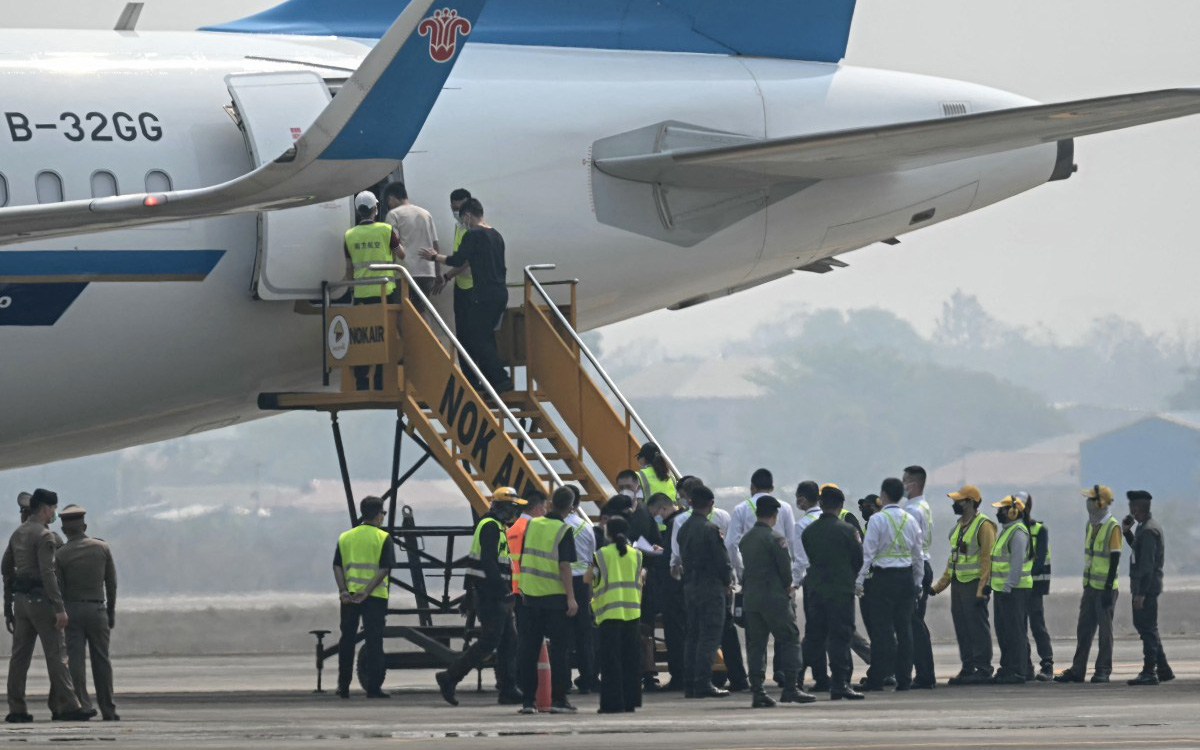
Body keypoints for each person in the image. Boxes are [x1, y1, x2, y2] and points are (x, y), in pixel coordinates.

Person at [5, 489, 90, 723]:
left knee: (19, 658)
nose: (54, 513)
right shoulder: (44, 536)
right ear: (44, 508)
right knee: (57, 655)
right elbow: (48, 572)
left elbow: (6, 568)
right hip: (42, 602)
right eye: (52, 508)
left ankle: (17, 709)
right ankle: (71, 705)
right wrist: (59, 607)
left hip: (21, 603)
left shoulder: (18, 533)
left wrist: (8, 606)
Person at [436, 488, 526, 706]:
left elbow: (477, 562)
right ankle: (450, 676)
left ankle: (508, 688)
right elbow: (487, 562)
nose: (515, 513)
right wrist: (502, 590)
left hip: (493, 593)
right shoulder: (490, 527)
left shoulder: (496, 527)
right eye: (513, 508)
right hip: (491, 594)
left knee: (509, 641)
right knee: (490, 641)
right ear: (503, 508)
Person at [421, 198, 512, 392]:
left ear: (468, 216)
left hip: (484, 294)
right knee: (485, 336)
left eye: (463, 219)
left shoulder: (473, 235)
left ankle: (501, 379)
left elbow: (457, 259)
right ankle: (493, 381)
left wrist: (434, 257)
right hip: (500, 292)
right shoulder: (496, 235)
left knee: (474, 336)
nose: (463, 224)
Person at [724, 469, 796, 692]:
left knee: (756, 640)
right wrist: (790, 582)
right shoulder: (784, 509)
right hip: (776, 586)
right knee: (788, 634)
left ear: (752, 487)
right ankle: (787, 680)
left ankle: (757, 687)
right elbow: (791, 543)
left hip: (751, 583)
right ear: (772, 488)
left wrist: (739, 572)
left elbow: (730, 544)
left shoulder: (741, 510)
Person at [739, 495, 814, 707]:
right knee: (790, 638)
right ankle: (791, 687)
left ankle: (758, 690)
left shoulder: (746, 539)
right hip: (774, 598)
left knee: (756, 646)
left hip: (752, 599)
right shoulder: (776, 538)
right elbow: (785, 572)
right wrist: (787, 587)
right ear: (775, 514)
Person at [515, 487, 579, 714]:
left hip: (530, 597)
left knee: (528, 650)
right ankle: (559, 699)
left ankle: (528, 701)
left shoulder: (532, 524)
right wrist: (571, 598)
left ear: (550, 503)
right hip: (554, 599)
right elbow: (564, 566)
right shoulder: (563, 530)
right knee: (560, 651)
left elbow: (523, 556)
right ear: (570, 508)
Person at [856, 478, 922, 692]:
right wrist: (918, 581)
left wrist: (859, 581)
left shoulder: (877, 520)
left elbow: (868, 554)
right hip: (905, 579)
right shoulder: (910, 520)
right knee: (905, 630)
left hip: (883, 579)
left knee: (881, 630)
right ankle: (904, 678)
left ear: (883, 495)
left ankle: (878, 677)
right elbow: (918, 556)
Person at [56, 505, 119, 721]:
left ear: (64, 530)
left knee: (75, 661)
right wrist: (110, 612)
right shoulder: (102, 547)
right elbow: (111, 584)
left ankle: (83, 704)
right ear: (84, 525)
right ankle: (108, 709)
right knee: (102, 660)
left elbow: (59, 590)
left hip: (72, 611)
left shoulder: (61, 555)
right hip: (97, 609)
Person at [1055, 485, 1122, 684]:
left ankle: (1103, 669)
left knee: (1104, 631)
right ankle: (1078, 669)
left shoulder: (1112, 526)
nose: (1087, 503)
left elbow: (1115, 557)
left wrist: (1108, 586)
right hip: (1090, 585)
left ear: (1100, 503)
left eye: (1091, 499)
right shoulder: (1090, 524)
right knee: (1084, 629)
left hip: (1105, 588)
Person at [804, 486, 865, 701]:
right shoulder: (848, 531)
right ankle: (840, 684)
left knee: (813, 637)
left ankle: (794, 681)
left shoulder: (809, 531)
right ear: (841, 506)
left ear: (820, 504)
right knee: (840, 637)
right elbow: (858, 559)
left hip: (816, 590)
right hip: (840, 591)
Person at [930, 485, 996, 685]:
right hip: (958, 584)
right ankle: (968, 667)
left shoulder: (984, 526)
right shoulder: (958, 527)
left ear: (970, 502)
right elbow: (954, 560)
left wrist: (982, 588)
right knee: (962, 627)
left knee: (977, 627)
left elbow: (987, 559)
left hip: (974, 584)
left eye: (958, 501)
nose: (954, 504)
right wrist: (938, 587)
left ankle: (983, 668)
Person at [333, 496, 394, 699]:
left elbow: (337, 565)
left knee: (347, 640)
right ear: (378, 515)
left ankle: (343, 687)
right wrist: (366, 591)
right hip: (374, 597)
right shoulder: (383, 537)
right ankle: (374, 689)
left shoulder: (345, 537)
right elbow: (385, 568)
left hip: (349, 598)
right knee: (374, 642)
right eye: (383, 513)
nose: (383, 517)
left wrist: (343, 590)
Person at [344, 190, 404, 391]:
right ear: (375, 210)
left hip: (361, 293)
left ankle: (361, 380)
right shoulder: (386, 230)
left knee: (363, 338)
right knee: (384, 337)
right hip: (384, 291)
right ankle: (379, 380)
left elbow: (349, 268)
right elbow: (401, 254)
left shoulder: (349, 235)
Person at [678, 484, 732, 698]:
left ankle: (690, 682)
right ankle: (703, 682)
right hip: (710, 587)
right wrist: (727, 581)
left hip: (690, 585)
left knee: (692, 636)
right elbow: (722, 561)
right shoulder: (710, 529)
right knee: (710, 636)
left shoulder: (684, 528)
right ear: (710, 504)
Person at [588, 516, 645, 713]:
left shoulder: (601, 554)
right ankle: (631, 701)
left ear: (608, 533)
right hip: (632, 613)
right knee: (631, 660)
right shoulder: (637, 554)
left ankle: (612, 704)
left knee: (611, 662)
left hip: (609, 614)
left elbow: (589, 579)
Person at [1122, 490, 1173, 686]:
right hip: (1146, 586)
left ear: (1136, 509)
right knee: (1146, 626)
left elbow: (1146, 566)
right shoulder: (1144, 528)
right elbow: (1139, 551)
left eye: (1132, 507)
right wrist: (1127, 533)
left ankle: (1149, 670)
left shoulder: (1149, 530)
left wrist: (1140, 593)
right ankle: (1163, 668)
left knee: (1147, 628)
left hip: (1147, 588)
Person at [989, 495, 1032, 685]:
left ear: (1014, 511)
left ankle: (1019, 670)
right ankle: (1008, 667)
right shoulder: (1007, 531)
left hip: (1014, 590)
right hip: (1002, 590)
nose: (999, 512)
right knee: (1004, 631)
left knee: (1015, 632)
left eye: (1003, 509)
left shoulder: (1018, 532)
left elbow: (1016, 564)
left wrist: (1008, 586)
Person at [900, 465, 937, 690]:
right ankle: (923, 673)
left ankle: (924, 674)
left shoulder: (913, 510)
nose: (902, 485)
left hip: (917, 565)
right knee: (914, 623)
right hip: (922, 563)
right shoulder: (923, 506)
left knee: (914, 624)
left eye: (905, 480)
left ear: (913, 484)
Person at [647, 492, 687, 690]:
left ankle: (679, 676)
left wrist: (654, 554)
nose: (657, 517)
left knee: (675, 633)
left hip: (673, 588)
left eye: (656, 512)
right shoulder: (686, 518)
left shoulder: (674, 523)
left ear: (662, 508)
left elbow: (672, 557)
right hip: (685, 588)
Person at [563, 487, 598, 694]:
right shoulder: (586, 527)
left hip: (561, 582)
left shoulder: (555, 526)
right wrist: (589, 589)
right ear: (577, 505)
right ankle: (588, 678)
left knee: (563, 634)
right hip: (582, 583)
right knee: (584, 634)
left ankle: (563, 679)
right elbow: (590, 560)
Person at [383, 181, 442, 303]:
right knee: (420, 312)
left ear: (391, 198)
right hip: (427, 273)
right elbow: (435, 244)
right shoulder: (425, 214)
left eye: (388, 201)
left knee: (405, 314)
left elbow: (394, 244)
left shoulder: (393, 215)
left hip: (406, 273)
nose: (388, 205)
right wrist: (438, 272)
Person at [1022, 493, 1054, 681]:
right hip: (1021, 585)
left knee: (1036, 624)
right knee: (1020, 625)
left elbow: (1040, 559)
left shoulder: (1039, 530)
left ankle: (1047, 663)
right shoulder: (1014, 529)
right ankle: (1025, 664)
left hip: (1034, 586)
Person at [444, 188, 475, 354]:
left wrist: (446, 275)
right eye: (455, 209)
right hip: (461, 286)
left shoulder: (473, 230)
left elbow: (465, 261)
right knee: (462, 334)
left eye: (461, 208)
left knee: (473, 334)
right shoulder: (459, 227)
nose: (458, 212)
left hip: (474, 287)